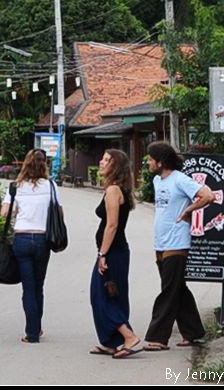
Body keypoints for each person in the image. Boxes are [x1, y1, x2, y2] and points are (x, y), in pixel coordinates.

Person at [142, 141, 215, 351]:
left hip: (177, 241)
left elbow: (208, 195)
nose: (148, 162)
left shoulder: (180, 179)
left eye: (150, 159)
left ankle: (158, 337)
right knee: (178, 289)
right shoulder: (157, 181)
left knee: (168, 291)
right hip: (161, 241)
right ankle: (194, 333)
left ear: (161, 161)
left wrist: (188, 210)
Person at [0, 148, 62, 344]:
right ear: (45, 164)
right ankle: (37, 327)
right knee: (38, 286)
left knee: (28, 287)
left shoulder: (16, 187)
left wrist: (19, 210)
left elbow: (4, 213)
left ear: (25, 164)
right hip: (43, 240)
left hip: (22, 239)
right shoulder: (51, 186)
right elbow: (59, 213)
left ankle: (31, 332)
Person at [89, 149, 143, 359]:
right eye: (102, 158)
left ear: (116, 165)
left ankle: (129, 337)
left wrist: (103, 254)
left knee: (102, 295)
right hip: (115, 251)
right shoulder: (117, 189)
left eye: (106, 159)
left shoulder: (113, 190)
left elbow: (112, 225)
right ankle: (112, 342)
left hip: (113, 252)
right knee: (111, 294)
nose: (101, 162)